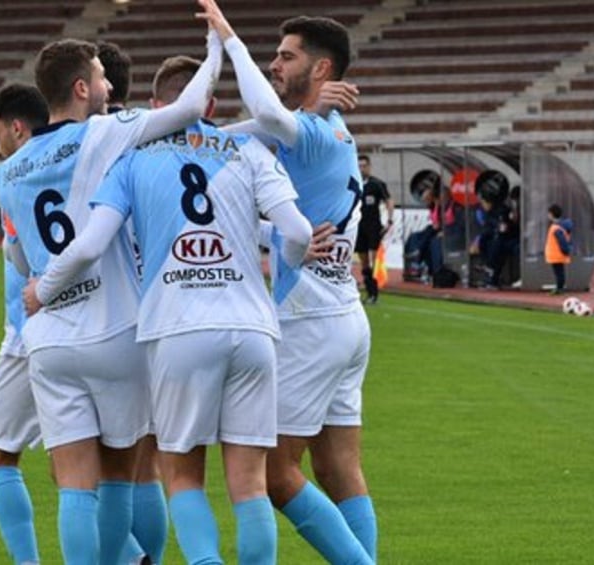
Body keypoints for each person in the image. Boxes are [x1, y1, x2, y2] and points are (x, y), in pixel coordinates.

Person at [29, 54, 314, 565]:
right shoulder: (246, 149)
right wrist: (276, 274)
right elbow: (296, 233)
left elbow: (94, 241)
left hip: (176, 328)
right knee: (249, 485)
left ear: (161, 106)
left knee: (182, 476)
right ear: (211, 103)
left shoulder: (132, 160)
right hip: (251, 327)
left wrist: (44, 289)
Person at [0, 33, 220, 565]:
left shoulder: (10, 167)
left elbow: (21, 261)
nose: (108, 85)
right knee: (125, 477)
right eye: (100, 76)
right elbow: (191, 105)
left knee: (74, 484)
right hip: (115, 328)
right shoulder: (104, 131)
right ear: (81, 88)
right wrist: (219, 45)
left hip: (49, 339)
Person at [199, 1, 377, 563]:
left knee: (275, 474)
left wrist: (228, 38)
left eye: (285, 55)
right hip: (343, 316)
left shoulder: (314, 132)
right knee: (337, 467)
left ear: (321, 70)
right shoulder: (328, 128)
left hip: (307, 318)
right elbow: (237, 132)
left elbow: (270, 120)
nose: (274, 64)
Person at [96, 38, 169, 565]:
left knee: (83, 468)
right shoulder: (152, 134)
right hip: (160, 307)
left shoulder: (85, 139)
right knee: (148, 460)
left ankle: (124, 559)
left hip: (97, 312)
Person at [0, 82, 49, 565]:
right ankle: (132, 555)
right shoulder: (85, 155)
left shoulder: (14, 172)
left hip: (30, 333)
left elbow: (20, 256)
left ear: (17, 127)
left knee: (0, 454)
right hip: (101, 324)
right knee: (96, 465)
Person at [356, 154, 393, 304]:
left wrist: (389, 220)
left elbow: (389, 200)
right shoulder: (354, 184)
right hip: (358, 227)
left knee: (373, 260)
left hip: (373, 227)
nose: (362, 168)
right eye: (359, 166)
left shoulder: (376, 184)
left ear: (369, 167)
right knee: (363, 262)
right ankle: (369, 292)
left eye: (364, 166)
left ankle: (374, 293)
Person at [544, 204, 573, 295]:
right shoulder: (560, 227)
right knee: (559, 272)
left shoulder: (556, 228)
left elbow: (562, 241)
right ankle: (559, 287)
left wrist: (565, 250)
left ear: (552, 214)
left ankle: (560, 288)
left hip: (557, 254)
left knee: (559, 272)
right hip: (558, 254)